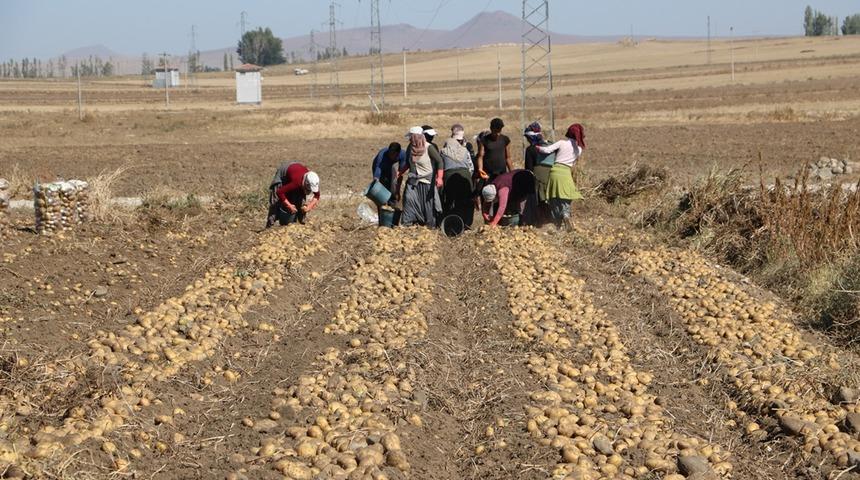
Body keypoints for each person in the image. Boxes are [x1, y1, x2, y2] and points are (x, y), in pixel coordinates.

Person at [537, 124, 586, 230]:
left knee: (554, 197)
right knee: (565, 196)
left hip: (555, 171)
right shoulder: (579, 150)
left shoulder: (561, 143)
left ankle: (557, 223)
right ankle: (566, 215)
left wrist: (536, 147)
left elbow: (546, 150)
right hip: (566, 173)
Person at [397, 126, 443, 227]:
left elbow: (439, 161)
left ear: (415, 137)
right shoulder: (410, 147)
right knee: (408, 199)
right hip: (413, 180)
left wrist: (439, 178)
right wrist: (400, 172)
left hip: (427, 181)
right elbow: (409, 164)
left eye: (410, 137)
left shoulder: (429, 147)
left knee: (428, 205)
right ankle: (407, 223)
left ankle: (430, 226)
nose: (409, 139)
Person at [440, 124, 476, 228]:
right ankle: (466, 223)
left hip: (448, 178)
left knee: (449, 200)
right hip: (465, 177)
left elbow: (440, 167)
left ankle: (449, 223)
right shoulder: (465, 151)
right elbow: (471, 167)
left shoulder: (443, 152)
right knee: (466, 201)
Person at [265, 162, 320, 227]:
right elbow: (279, 192)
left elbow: (317, 195)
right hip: (284, 173)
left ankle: (301, 224)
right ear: (305, 183)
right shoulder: (297, 182)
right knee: (275, 202)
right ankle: (269, 226)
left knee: (300, 200)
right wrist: (289, 205)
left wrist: (309, 207)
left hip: (295, 172)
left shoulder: (313, 180)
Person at [523, 122, 553, 224]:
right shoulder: (548, 146)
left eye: (528, 138)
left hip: (538, 178)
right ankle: (551, 220)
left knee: (540, 201)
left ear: (531, 138)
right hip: (551, 176)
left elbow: (529, 168)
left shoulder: (530, 149)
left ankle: (541, 222)